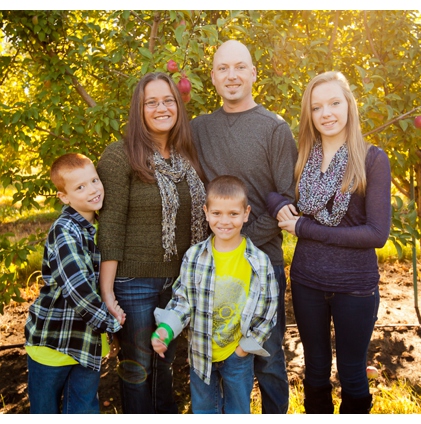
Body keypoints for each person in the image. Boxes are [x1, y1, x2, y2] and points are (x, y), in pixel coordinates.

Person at [266, 71, 391, 414]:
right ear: (310, 114)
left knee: (352, 372)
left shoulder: (371, 159)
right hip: (307, 283)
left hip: (354, 288)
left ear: (349, 106)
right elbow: (269, 189)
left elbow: (376, 234)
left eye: (335, 103)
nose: (327, 113)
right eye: (317, 107)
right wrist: (280, 206)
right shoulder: (302, 158)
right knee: (315, 370)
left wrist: (304, 228)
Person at [190, 40, 298, 413]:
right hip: (213, 265)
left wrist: (240, 244)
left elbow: (286, 196)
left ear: (253, 73)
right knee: (213, 352)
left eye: (240, 67)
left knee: (266, 356)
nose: (232, 75)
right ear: (214, 78)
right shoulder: (199, 129)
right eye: (223, 68)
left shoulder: (275, 128)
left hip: (260, 263)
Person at [97, 72, 208, 413]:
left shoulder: (187, 156)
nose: (161, 108)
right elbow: (110, 227)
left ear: (178, 105)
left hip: (178, 284)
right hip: (134, 284)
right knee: (138, 371)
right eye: (152, 102)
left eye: (168, 100)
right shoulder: (120, 156)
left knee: (165, 366)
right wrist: (107, 291)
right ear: (139, 109)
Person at [151, 175, 279, 414]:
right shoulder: (194, 257)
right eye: (217, 213)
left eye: (233, 214)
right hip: (201, 353)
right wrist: (165, 329)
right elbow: (182, 301)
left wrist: (245, 347)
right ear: (206, 212)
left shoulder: (258, 262)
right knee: (204, 410)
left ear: (246, 213)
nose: (225, 221)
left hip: (238, 355)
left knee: (238, 410)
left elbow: (268, 308)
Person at [24, 153, 125, 414]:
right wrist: (111, 324)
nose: (92, 190)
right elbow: (77, 288)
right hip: (55, 344)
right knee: (45, 411)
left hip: (87, 344)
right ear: (64, 197)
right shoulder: (65, 230)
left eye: (94, 180)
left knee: (83, 410)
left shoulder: (100, 226)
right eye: (80, 187)